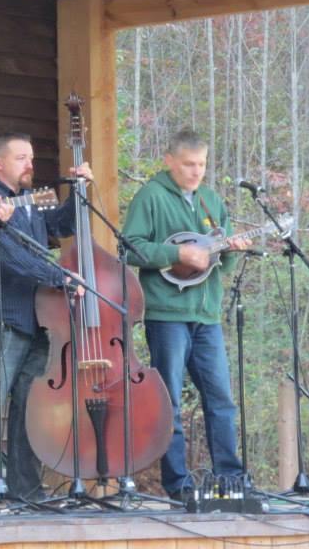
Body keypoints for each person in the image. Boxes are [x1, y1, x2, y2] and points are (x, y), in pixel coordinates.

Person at [0, 133, 91, 506]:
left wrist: (79, 190)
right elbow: (7, 256)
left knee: (29, 411)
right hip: (0, 319)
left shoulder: (29, 201)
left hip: (37, 321)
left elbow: (62, 225)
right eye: (20, 158)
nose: (30, 164)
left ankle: (26, 491)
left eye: (31, 157)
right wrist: (59, 277)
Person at [122, 129, 249, 502]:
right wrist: (176, 254)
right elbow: (129, 247)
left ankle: (230, 480)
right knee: (171, 401)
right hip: (167, 315)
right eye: (189, 164)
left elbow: (220, 267)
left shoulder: (212, 201)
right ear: (170, 161)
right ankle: (178, 485)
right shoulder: (151, 196)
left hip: (207, 316)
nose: (196, 172)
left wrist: (231, 251)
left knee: (221, 400)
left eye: (202, 165)